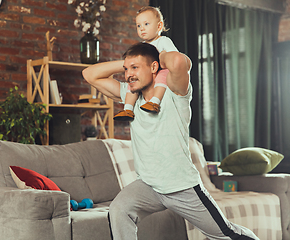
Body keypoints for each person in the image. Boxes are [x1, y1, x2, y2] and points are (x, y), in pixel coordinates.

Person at [82, 42, 259, 240]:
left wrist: (155, 56)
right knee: (119, 209)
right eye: (126, 69)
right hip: (149, 186)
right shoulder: (130, 95)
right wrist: (129, 63)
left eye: (135, 68)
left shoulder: (174, 93)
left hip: (182, 186)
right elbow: (89, 74)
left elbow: (177, 61)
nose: (128, 74)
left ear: (154, 67)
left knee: (225, 234)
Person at [113, 6, 178, 121]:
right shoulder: (141, 46)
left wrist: (163, 58)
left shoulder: (163, 41)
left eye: (146, 24)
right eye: (138, 26)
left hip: (160, 71)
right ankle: (128, 109)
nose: (142, 28)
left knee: (163, 74)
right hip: (146, 75)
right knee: (132, 82)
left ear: (159, 26)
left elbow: (175, 58)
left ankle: (155, 102)